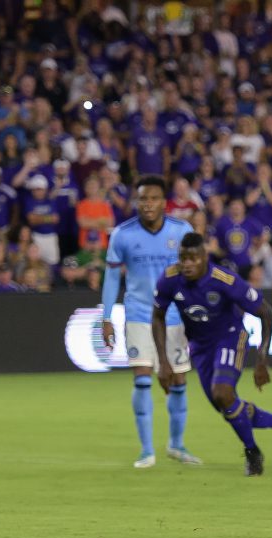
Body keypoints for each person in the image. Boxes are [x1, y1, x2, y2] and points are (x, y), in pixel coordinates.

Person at [153, 232, 272, 476]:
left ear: (204, 257)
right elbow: (157, 316)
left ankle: (252, 452)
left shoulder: (225, 279)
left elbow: (265, 312)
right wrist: (163, 362)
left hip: (230, 337)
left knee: (223, 393)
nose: (187, 264)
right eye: (183, 258)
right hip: (199, 347)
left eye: (193, 258)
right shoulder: (169, 279)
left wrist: (262, 358)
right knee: (227, 406)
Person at [101, 176, 199, 468]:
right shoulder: (122, 234)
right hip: (139, 314)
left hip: (175, 317)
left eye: (154, 198)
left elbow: (196, 272)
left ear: (164, 202)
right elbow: (110, 275)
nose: (148, 204)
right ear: (136, 201)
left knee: (179, 380)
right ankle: (146, 451)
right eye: (143, 199)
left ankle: (176, 445)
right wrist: (106, 316)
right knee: (142, 378)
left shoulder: (182, 231)